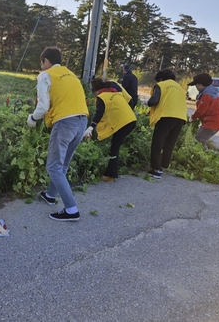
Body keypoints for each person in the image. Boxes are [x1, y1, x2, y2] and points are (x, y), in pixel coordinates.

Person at [26, 47, 88, 221]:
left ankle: (71, 209)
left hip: (65, 123)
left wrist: (32, 118)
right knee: (63, 165)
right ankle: (50, 195)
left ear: (46, 61)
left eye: (42, 63)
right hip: (82, 121)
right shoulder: (71, 75)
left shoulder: (46, 75)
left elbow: (43, 106)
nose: (42, 66)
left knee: (53, 167)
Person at [84, 78, 137, 182]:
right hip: (131, 121)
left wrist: (90, 127)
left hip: (123, 124)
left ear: (97, 90)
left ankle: (111, 175)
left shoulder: (101, 97)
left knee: (114, 148)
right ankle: (111, 172)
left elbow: (99, 113)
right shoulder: (116, 94)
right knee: (115, 145)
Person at [146, 69, 187, 179]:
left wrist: (147, 102)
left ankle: (156, 170)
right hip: (180, 118)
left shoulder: (161, 85)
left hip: (165, 117)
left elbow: (153, 101)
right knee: (169, 143)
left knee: (157, 143)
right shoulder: (179, 88)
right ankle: (163, 165)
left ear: (160, 78)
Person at [188, 73, 219, 149]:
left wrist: (192, 118)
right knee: (201, 141)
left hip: (211, 124)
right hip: (211, 123)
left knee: (198, 141)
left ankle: (202, 157)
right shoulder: (209, 92)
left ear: (200, 84)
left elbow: (201, 111)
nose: (196, 87)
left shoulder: (207, 95)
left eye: (196, 85)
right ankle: (204, 155)